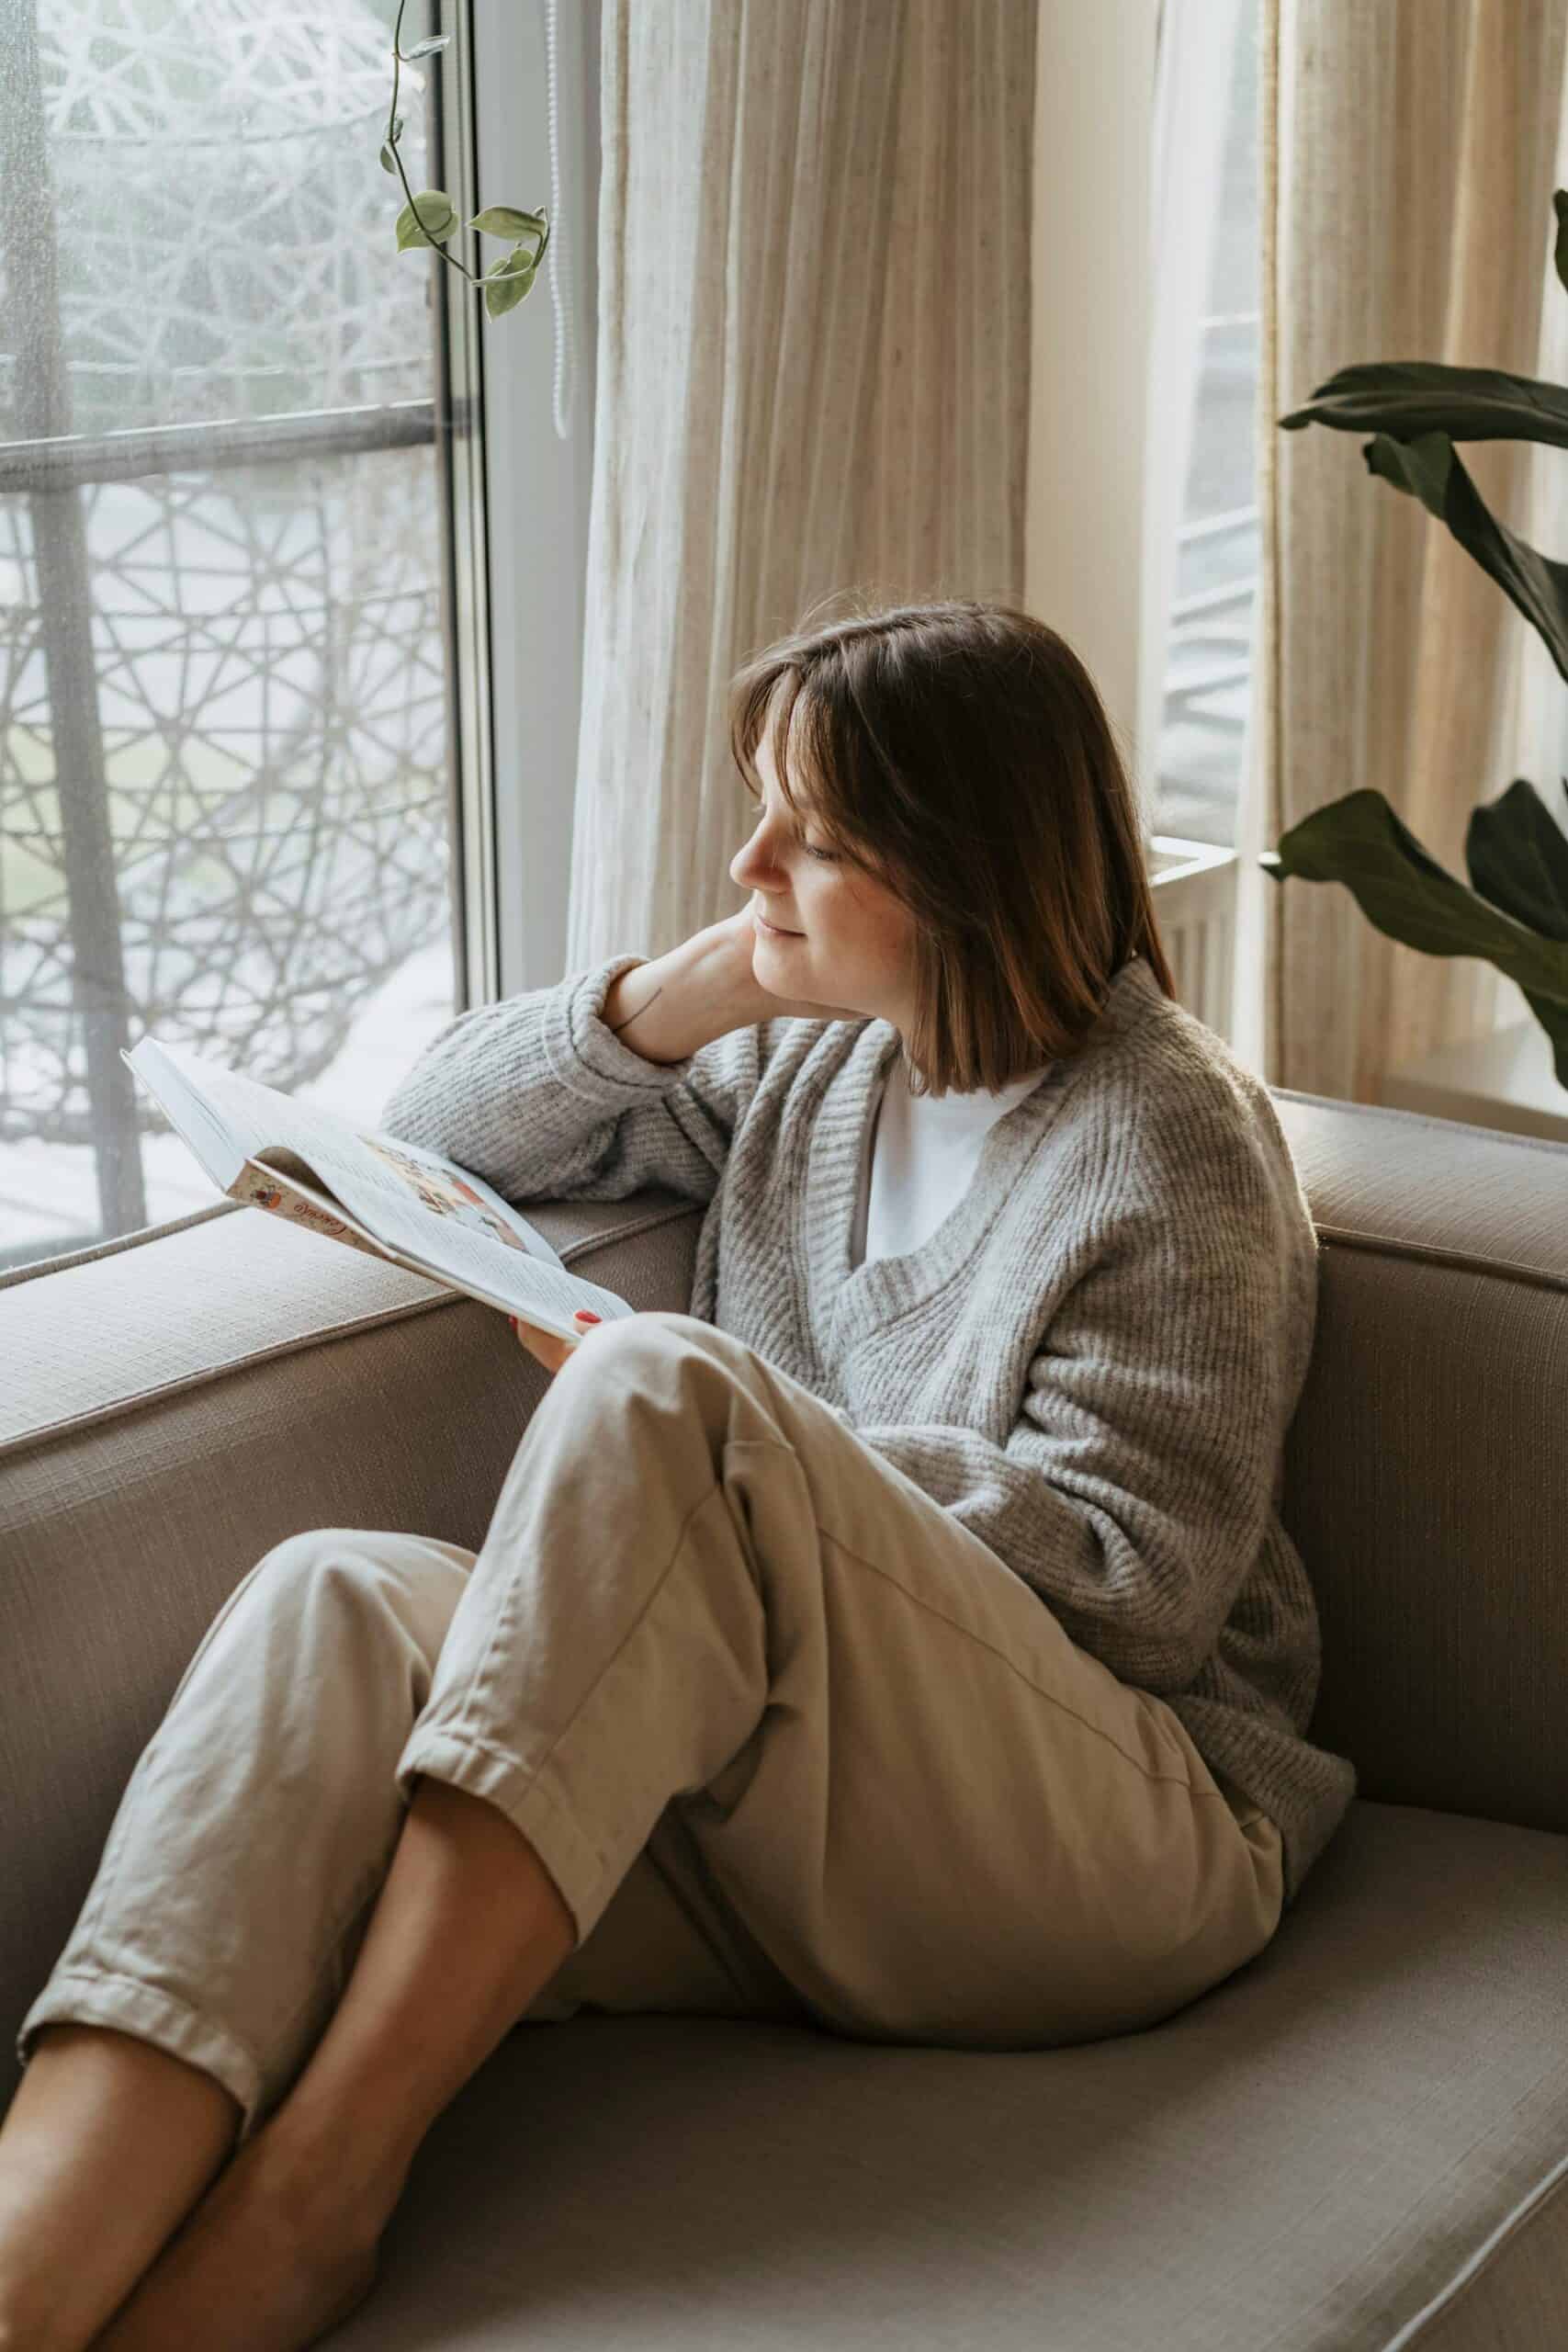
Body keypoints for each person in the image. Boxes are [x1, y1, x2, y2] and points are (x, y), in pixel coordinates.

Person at [0, 594, 1356, 2352]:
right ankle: (34, 2260)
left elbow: (1144, 1591)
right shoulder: (812, 1062)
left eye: (816, 837)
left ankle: (316, 2196)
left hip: (1123, 1845)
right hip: (799, 1817)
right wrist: (697, 985)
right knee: (332, 1598)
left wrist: (767, 1456)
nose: (749, 860)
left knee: (665, 1388)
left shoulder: (1167, 1134)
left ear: (968, 869)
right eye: (758, 808)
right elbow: (433, 1128)